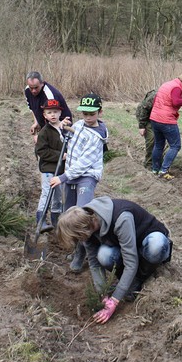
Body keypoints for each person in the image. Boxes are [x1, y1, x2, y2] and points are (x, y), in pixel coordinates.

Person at [55, 197, 172, 324]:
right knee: (104, 255)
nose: (79, 241)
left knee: (156, 246)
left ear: (82, 230)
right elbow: (94, 264)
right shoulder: (87, 227)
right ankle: (130, 280)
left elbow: (131, 262)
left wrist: (114, 301)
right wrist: (103, 294)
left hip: (147, 241)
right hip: (126, 248)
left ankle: (139, 277)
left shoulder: (121, 218)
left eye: (77, 237)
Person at [50, 93, 109, 272]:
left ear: (100, 112)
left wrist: (62, 178)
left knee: (82, 216)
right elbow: (68, 142)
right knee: (68, 212)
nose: (88, 117)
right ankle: (77, 248)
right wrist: (64, 130)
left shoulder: (97, 137)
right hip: (71, 175)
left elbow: (84, 163)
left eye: (92, 114)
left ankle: (83, 254)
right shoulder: (78, 125)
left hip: (86, 177)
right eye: (85, 114)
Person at [149, 73, 182, 180]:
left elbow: (156, 100)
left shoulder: (167, 84)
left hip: (155, 118)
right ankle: (164, 170)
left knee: (158, 144)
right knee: (175, 145)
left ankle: (155, 169)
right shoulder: (176, 88)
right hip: (166, 120)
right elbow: (176, 102)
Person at [34, 99, 67, 231]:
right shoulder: (45, 132)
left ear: (60, 113)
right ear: (45, 115)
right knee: (47, 193)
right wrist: (61, 155)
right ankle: (41, 220)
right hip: (48, 169)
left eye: (55, 112)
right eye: (49, 112)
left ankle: (56, 221)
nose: (52, 115)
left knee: (58, 196)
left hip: (61, 170)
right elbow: (41, 151)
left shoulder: (65, 129)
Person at [24, 71, 71, 143]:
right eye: (31, 88)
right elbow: (32, 108)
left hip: (61, 124)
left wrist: (41, 137)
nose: (33, 91)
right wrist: (36, 123)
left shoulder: (50, 95)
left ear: (42, 83)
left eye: (36, 87)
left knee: (58, 150)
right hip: (47, 124)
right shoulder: (27, 91)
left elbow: (54, 119)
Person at [135, 88, 158, 168]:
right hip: (145, 116)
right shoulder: (155, 96)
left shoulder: (173, 97)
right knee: (151, 139)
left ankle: (159, 162)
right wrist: (142, 126)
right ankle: (148, 164)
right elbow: (144, 108)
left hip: (157, 117)